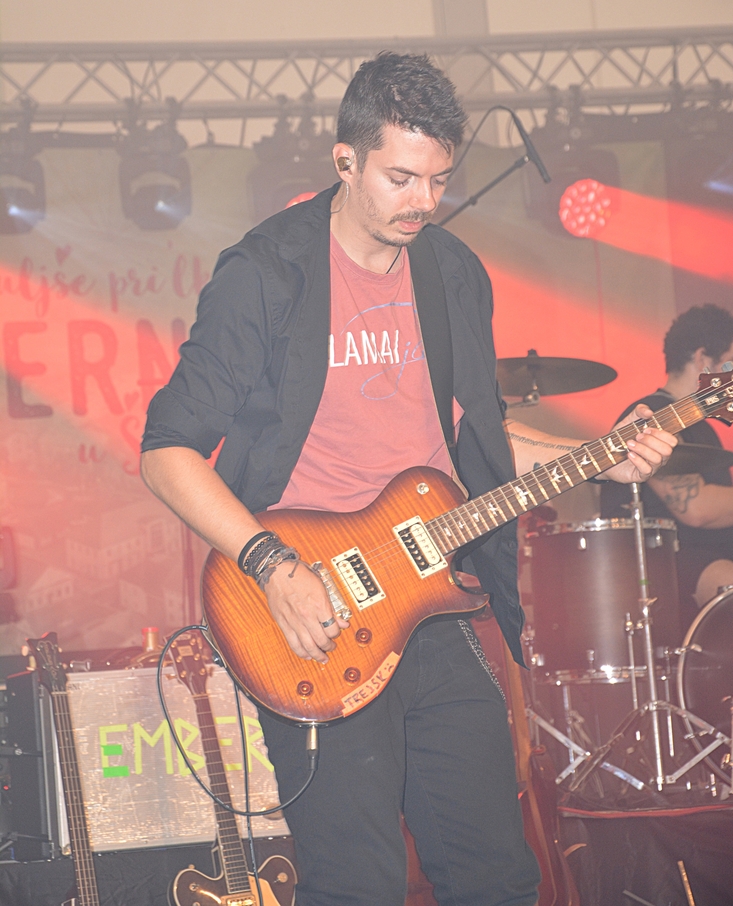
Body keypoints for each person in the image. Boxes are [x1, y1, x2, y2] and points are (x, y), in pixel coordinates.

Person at [140, 53, 675, 906]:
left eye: (437, 179)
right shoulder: (266, 275)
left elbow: (478, 441)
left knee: (496, 876)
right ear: (345, 160)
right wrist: (273, 567)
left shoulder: (452, 272)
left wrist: (601, 454)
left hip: (435, 607)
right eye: (399, 178)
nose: (422, 201)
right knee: (357, 884)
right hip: (313, 615)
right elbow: (165, 450)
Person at [602, 304, 733, 632]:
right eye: (731, 362)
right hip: (665, 566)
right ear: (703, 359)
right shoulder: (653, 416)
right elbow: (697, 509)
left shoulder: (703, 425)